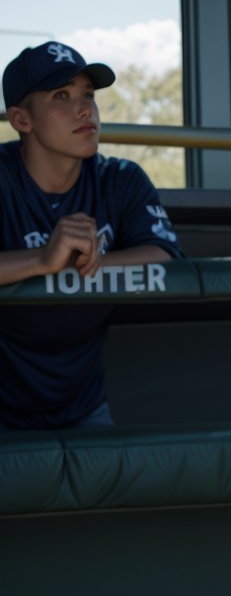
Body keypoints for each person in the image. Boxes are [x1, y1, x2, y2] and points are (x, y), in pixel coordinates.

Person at [0, 41, 182, 430]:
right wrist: (42, 259)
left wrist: (80, 263)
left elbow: (164, 255)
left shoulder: (120, 178)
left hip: (84, 405)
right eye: (61, 96)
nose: (85, 109)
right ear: (21, 119)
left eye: (88, 95)